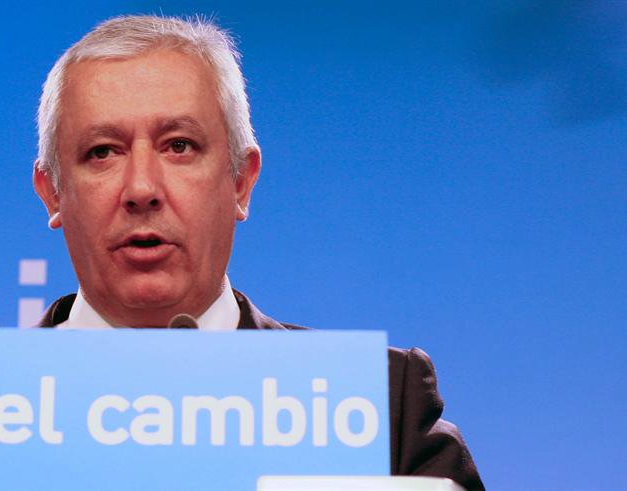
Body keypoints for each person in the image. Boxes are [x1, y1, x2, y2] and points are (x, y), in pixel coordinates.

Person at [31, 15, 483, 490]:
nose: (141, 188)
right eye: (102, 152)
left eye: (179, 146)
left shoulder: (374, 403)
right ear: (52, 192)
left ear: (241, 182)